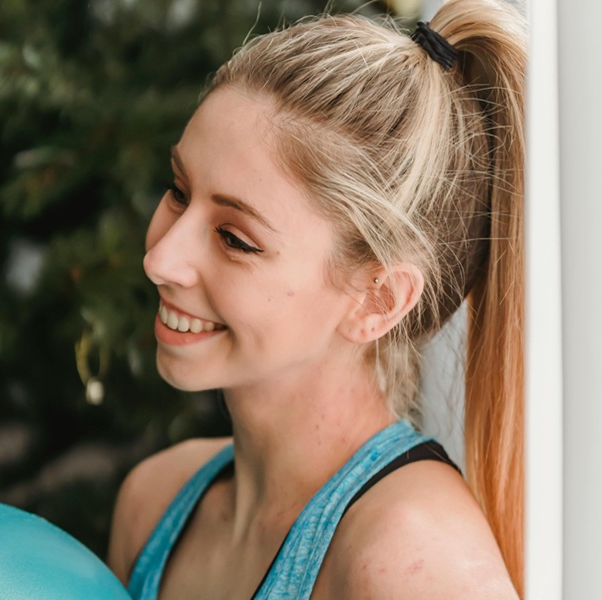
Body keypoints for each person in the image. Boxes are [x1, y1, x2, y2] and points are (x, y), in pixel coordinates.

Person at [106, 0, 525, 598]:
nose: (159, 259)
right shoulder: (153, 501)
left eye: (234, 238)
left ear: (377, 301)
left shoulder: (417, 561)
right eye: (178, 191)